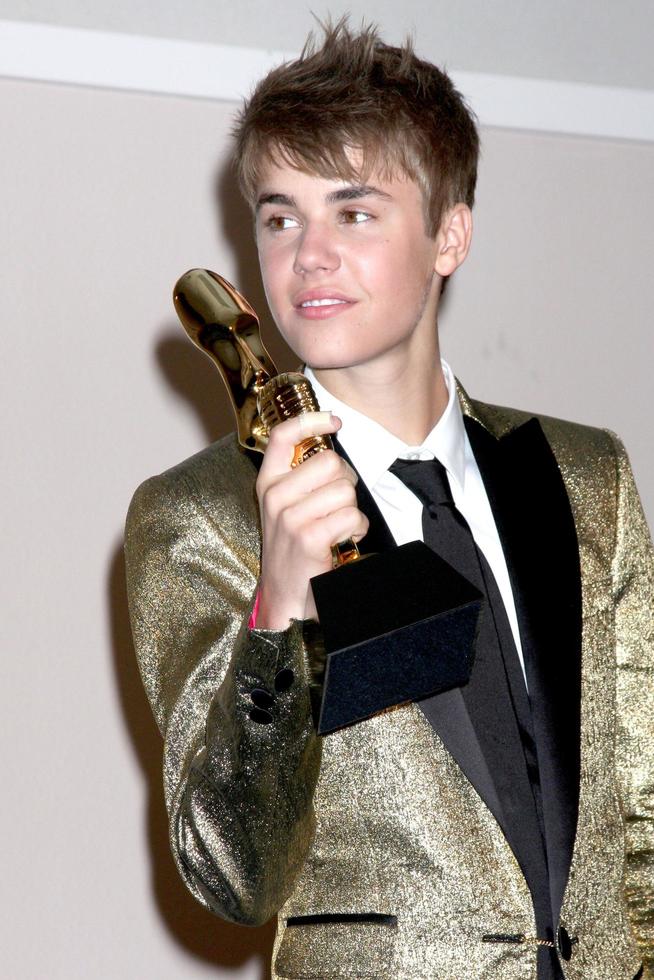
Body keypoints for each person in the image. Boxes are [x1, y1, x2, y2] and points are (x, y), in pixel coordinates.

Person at [124, 21, 653, 980]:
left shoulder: (587, 478)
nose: (308, 255)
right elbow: (233, 875)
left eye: (353, 213)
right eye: (281, 217)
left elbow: (645, 817)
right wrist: (280, 612)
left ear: (450, 234)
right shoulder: (199, 512)